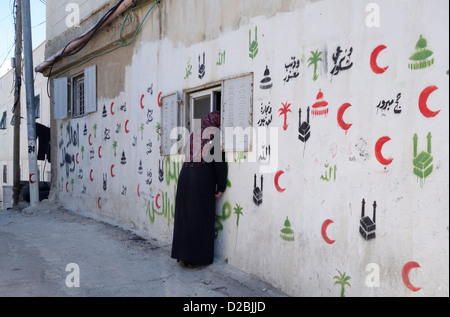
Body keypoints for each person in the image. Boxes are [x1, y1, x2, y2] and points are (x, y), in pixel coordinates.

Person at [171, 111, 227, 267]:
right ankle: (196, 259)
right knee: (200, 218)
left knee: (186, 217)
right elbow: (219, 163)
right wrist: (221, 186)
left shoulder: (194, 134)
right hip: (201, 182)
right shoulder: (214, 135)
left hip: (185, 178)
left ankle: (183, 256)